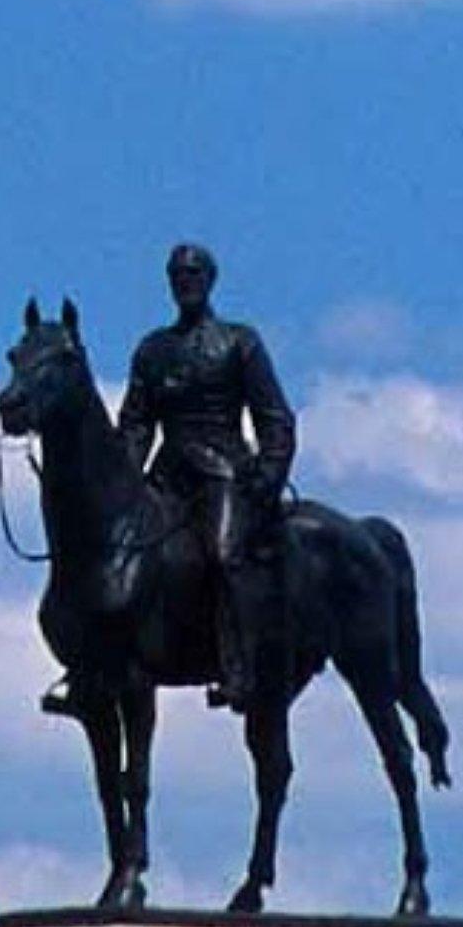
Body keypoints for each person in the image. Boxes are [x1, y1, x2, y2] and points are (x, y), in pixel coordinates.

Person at [119, 240, 297, 711]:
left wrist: (268, 476)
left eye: (193, 275)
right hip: (167, 475)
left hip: (222, 471)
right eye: (178, 276)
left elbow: (275, 418)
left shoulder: (240, 341)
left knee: (221, 555)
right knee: (120, 552)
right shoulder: (152, 350)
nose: (185, 283)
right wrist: (122, 480)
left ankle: (238, 667)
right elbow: (136, 424)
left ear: (209, 280)